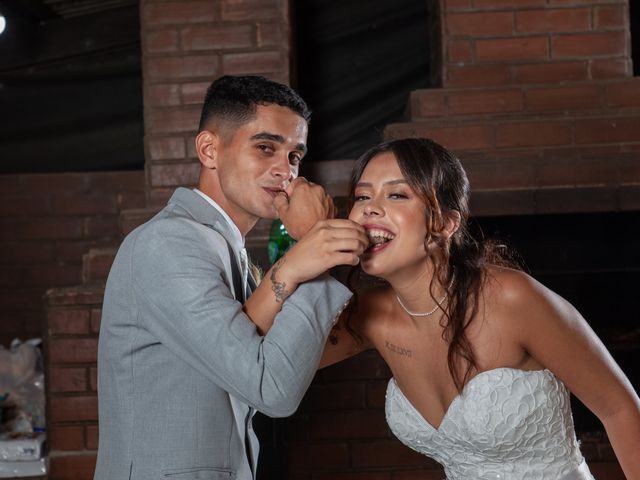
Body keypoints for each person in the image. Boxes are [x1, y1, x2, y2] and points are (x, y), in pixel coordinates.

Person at [248, 137, 640, 479]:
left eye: (397, 194)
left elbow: (621, 409)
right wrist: (308, 248)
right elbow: (253, 353)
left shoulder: (510, 298)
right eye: (363, 196)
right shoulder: (369, 317)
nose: (368, 209)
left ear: (445, 222)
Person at [93, 75, 368, 480]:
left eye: (294, 156)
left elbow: (262, 353)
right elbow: (269, 387)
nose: (285, 170)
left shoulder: (225, 246)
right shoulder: (166, 243)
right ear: (209, 150)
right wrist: (315, 246)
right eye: (265, 147)